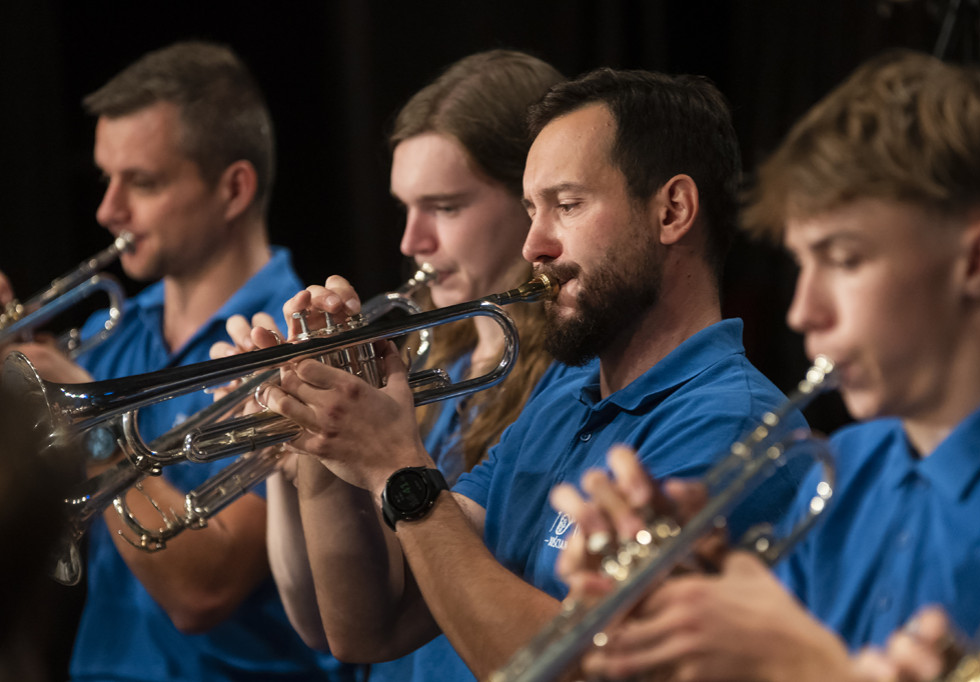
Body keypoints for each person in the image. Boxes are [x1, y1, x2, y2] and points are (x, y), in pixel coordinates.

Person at [252, 67, 809, 681]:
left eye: (566, 205)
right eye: (530, 210)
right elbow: (368, 626)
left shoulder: (734, 426)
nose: (533, 246)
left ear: (672, 210)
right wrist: (322, 429)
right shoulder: (565, 402)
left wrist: (396, 467)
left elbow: (573, 670)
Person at [549, 49, 980, 681]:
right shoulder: (850, 467)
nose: (803, 311)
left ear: (979, 261)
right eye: (803, 263)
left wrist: (807, 666)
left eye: (846, 258)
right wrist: (676, 603)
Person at [6, 41, 348, 681]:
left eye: (142, 182)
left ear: (233, 188)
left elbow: (204, 591)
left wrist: (97, 426)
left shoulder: (288, 343)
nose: (109, 210)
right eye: (107, 177)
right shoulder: (114, 332)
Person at [229, 49, 563, 681]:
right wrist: (295, 448)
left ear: (530, 198)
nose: (412, 241)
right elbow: (326, 623)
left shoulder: (570, 382)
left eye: (445, 206)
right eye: (407, 208)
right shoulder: (435, 358)